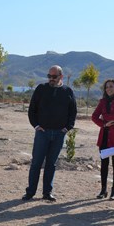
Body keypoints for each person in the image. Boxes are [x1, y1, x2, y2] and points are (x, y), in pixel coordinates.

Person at [23, 65, 77, 202]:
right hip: (42, 132)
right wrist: (36, 125)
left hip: (59, 134)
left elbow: (73, 111)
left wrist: (68, 127)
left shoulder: (68, 91)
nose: (51, 79)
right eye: (49, 76)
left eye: (54, 76)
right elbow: (32, 109)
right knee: (36, 163)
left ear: (61, 77)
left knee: (51, 164)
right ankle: (30, 192)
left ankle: (47, 192)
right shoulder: (41, 89)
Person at [91, 79, 114, 201]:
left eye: (111, 86)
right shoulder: (103, 101)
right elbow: (94, 116)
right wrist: (104, 124)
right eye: (106, 87)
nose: (108, 89)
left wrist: (105, 116)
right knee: (104, 164)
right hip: (104, 137)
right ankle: (103, 190)